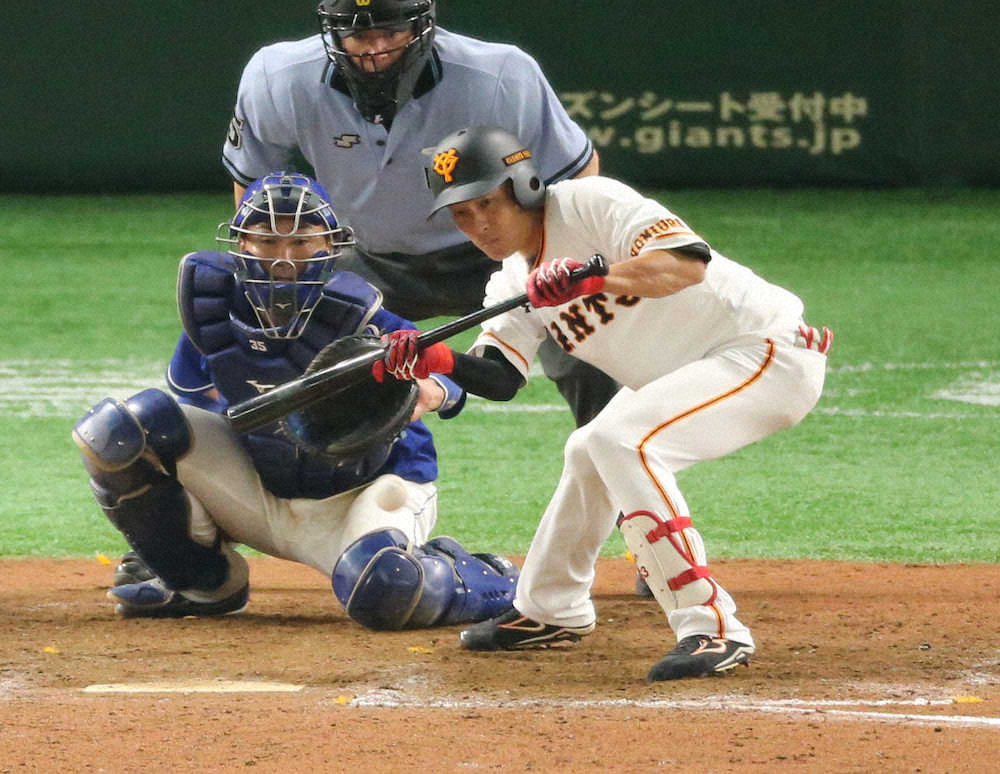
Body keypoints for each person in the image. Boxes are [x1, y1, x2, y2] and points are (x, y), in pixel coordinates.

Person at [374, 126, 833, 680]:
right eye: (461, 214)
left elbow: (685, 265)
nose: (477, 226)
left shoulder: (591, 203)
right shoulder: (514, 281)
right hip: (694, 371)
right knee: (589, 447)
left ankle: (711, 626)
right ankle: (551, 608)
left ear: (524, 185)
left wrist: (593, 281)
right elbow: (499, 376)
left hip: (763, 351)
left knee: (623, 440)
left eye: (486, 204)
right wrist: (433, 360)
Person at [73, 172, 518, 630]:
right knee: (120, 431)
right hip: (262, 491)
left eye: (302, 241)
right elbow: (186, 422)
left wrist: (424, 391)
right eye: (266, 240)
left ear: (330, 246)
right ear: (241, 245)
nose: (284, 260)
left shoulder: (362, 317)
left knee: (390, 589)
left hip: (363, 492)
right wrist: (168, 527)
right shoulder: (214, 314)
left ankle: (487, 578)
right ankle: (202, 582)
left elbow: (453, 388)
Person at [221, 0, 618, 429]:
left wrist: (551, 261)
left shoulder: (500, 75)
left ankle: (619, 471)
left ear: (422, 25)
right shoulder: (278, 78)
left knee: (589, 343)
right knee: (279, 341)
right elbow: (256, 191)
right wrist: (275, 275)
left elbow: (576, 174)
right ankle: (314, 480)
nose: (376, 48)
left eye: (391, 32)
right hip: (370, 258)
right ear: (331, 30)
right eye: (359, 34)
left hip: (497, 252)